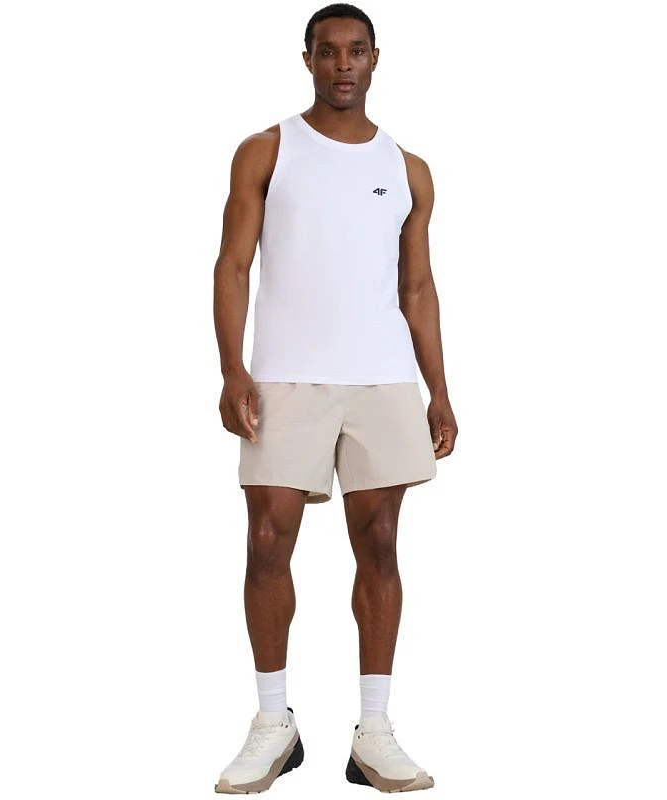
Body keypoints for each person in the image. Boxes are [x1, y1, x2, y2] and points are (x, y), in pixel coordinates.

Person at [212, 3, 457, 793]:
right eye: (329, 51)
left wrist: (440, 391)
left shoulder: (409, 168)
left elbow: (417, 288)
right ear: (308, 59)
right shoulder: (267, 149)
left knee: (380, 544)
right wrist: (233, 370)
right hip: (285, 375)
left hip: (382, 376)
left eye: (356, 51)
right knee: (266, 542)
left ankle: (373, 730)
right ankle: (273, 722)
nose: (343, 64)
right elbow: (232, 266)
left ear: (376, 59)